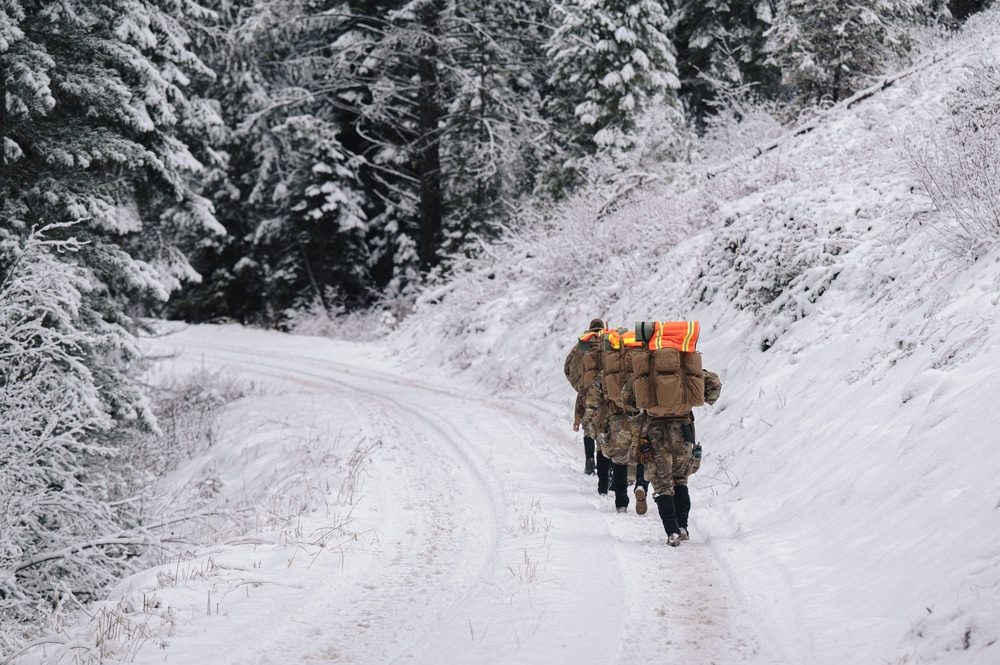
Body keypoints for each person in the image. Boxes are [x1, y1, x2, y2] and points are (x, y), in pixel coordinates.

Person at [624, 321, 723, 546]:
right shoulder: (687, 366)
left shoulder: (645, 368)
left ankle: (671, 532)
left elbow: (628, 400)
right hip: (684, 431)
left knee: (661, 483)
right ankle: (683, 527)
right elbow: (714, 385)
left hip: (655, 431)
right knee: (680, 480)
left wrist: (639, 407)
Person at [601, 328, 649, 514]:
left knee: (619, 460)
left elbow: (602, 388)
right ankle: (641, 485)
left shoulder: (614, 359)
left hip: (617, 417)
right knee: (642, 456)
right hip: (640, 416)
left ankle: (621, 502)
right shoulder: (644, 356)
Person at [566, 318, 605, 475]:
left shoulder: (581, 346)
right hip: (606, 393)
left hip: (586, 392)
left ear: (590, 329)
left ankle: (590, 461)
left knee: (588, 428)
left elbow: (568, 367)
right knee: (604, 427)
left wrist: (579, 385)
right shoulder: (609, 343)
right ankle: (606, 465)